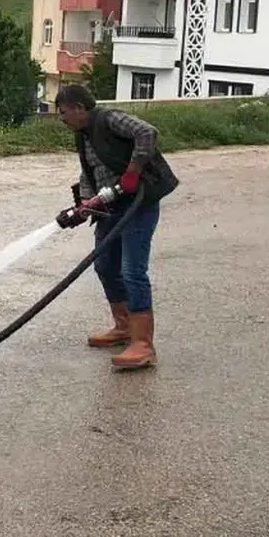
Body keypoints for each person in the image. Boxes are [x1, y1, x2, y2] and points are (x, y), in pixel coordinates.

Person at [55, 84, 179, 371]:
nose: (61, 118)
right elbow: (90, 172)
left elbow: (147, 132)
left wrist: (134, 171)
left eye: (63, 112)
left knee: (132, 270)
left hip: (138, 202)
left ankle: (144, 345)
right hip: (111, 205)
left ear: (78, 107)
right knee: (105, 266)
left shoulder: (109, 118)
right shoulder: (83, 135)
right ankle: (123, 327)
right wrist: (85, 204)